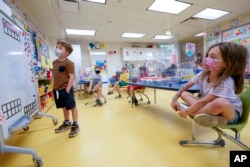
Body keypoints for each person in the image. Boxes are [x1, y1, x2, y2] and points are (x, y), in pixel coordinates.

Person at [171, 42, 248, 127]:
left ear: (227, 63)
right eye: (208, 55)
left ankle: (195, 113)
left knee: (220, 103)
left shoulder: (226, 81)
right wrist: (174, 99)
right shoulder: (203, 74)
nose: (207, 59)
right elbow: (185, 87)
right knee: (184, 94)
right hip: (209, 106)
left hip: (229, 113)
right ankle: (207, 115)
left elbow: (203, 101)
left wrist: (186, 112)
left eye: (213, 57)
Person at [52, 40, 80, 138]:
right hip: (57, 89)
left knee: (72, 106)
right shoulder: (54, 62)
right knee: (63, 107)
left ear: (66, 53)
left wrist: (68, 89)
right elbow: (55, 76)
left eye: (60, 48)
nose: (57, 49)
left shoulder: (69, 63)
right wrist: (54, 87)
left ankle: (75, 124)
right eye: (57, 47)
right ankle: (67, 122)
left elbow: (71, 77)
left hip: (66, 89)